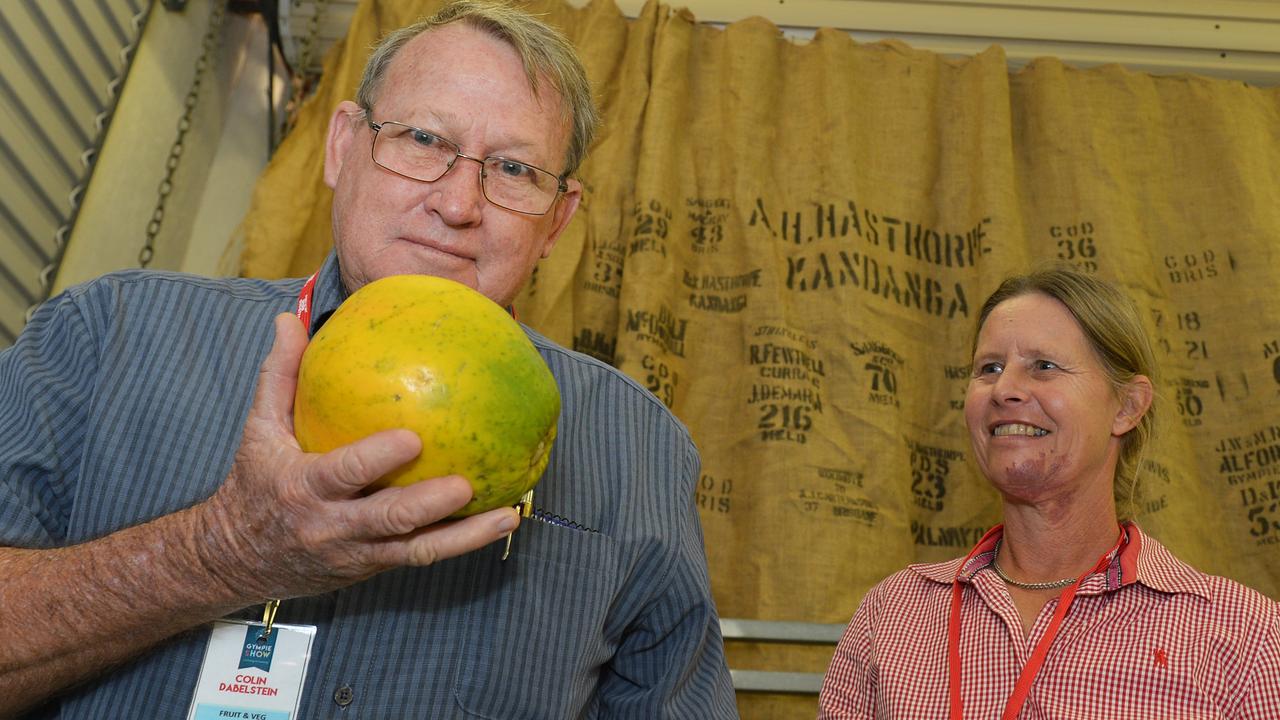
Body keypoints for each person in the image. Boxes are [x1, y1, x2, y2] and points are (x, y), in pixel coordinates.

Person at [0, 2, 737, 717]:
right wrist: (221, 552)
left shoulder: (638, 450)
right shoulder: (109, 336)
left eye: (513, 169)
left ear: (559, 221)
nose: (457, 203)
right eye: (421, 138)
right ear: (342, 146)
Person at [818, 268, 1280, 719]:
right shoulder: (894, 614)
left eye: (1044, 366)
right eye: (989, 367)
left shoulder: (1245, 637)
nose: (1005, 389)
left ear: (1127, 406)